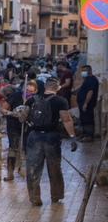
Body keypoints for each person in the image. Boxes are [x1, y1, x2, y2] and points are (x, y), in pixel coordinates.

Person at [25, 77, 77, 206]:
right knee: (54, 168)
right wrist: (72, 136)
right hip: (52, 137)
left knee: (33, 168)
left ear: (45, 87)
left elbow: (24, 117)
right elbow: (66, 119)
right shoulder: (60, 101)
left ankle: (34, 197)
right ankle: (56, 195)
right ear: (57, 88)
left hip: (34, 137)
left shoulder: (31, 100)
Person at [2, 82, 28, 183]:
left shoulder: (35, 98)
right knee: (13, 148)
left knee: (27, 149)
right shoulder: (15, 96)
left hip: (28, 126)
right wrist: (13, 113)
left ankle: (24, 170)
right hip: (13, 125)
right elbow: (3, 108)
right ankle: (10, 173)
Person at [76, 64, 99, 139]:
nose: (82, 72)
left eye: (84, 71)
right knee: (84, 119)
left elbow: (90, 92)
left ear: (89, 71)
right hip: (83, 103)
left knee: (88, 119)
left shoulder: (91, 79)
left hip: (88, 104)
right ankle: (85, 134)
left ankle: (89, 136)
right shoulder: (87, 79)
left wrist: (85, 103)